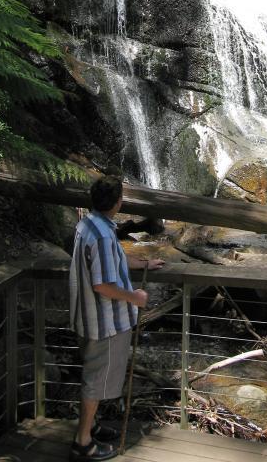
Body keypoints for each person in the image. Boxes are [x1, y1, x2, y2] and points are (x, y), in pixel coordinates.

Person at [69, 171, 165, 461]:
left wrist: (145, 262)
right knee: (96, 381)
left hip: (87, 317)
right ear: (118, 203)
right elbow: (103, 285)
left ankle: (92, 426)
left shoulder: (89, 225)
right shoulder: (102, 236)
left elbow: (114, 262)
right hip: (104, 323)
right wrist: (135, 297)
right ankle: (83, 442)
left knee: (93, 377)